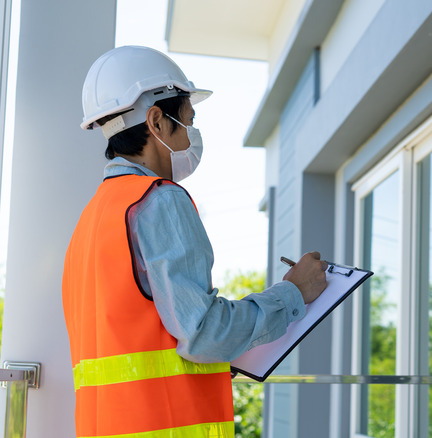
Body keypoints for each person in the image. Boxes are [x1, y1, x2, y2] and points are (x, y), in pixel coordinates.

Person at [61, 45, 327, 438]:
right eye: (187, 120)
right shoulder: (158, 199)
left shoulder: (93, 216)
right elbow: (204, 334)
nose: (192, 134)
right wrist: (293, 293)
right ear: (156, 121)